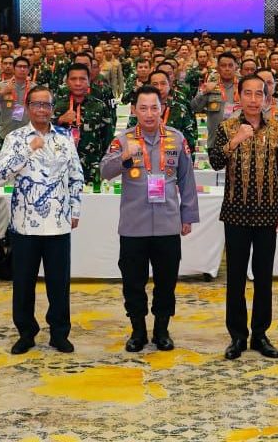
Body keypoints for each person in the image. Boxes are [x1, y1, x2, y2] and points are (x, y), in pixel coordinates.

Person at [100, 85, 199, 353]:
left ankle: (162, 330)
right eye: (143, 108)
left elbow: (186, 180)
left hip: (168, 223)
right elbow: (104, 171)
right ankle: (138, 331)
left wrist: (188, 215)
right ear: (134, 110)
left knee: (166, 282)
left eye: (154, 108)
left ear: (162, 109)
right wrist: (124, 156)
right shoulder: (123, 140)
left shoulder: (176, 139)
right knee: (133, 282)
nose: (149, 113)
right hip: (134, 225)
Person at [208, 75, 278, 360]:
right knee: (235, 277)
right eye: (248, 93)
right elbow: (215, 162)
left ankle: (260, 334)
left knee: (264, 277)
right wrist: (235, 141)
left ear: (267, 99)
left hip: (268, 214)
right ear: (239, 97)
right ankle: (237, 336)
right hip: (236, 214)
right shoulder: (227, 127)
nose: (254, 100)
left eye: (259, 94)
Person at [0, 85, 83, 354]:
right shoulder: (15, 137)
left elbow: (76, 176)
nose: (42, 110)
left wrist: (75, 210)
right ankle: (26, 333)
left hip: (58, 223)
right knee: (23, 283)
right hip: (24, 224)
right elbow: (2, 173)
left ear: (52, 108)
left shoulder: (64, 138)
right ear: (28, 106)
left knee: (59, 284)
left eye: (47, 105)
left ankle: (59, 333)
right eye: (37, 104)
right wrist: (28, 150)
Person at [54, 63, 114, 187]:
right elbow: (44, 135)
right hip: (61, 168)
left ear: (89, 81)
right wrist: (59, 120)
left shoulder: (99, 106)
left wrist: (104, 166)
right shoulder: (56, 106)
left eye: (82, 79)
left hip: (92, 169)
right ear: (67, 82)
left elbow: (107, 139)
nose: (78, 83)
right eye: (73, 79)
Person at [191, 52, 241, 149]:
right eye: (223, 65)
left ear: (236, 67)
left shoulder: (243, 88)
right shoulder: (209, 86)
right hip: (213, 141)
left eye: (230, 65)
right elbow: (194, 108)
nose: (227, 69)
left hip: (239, 141)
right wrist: (203, 92)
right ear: (218, 68)